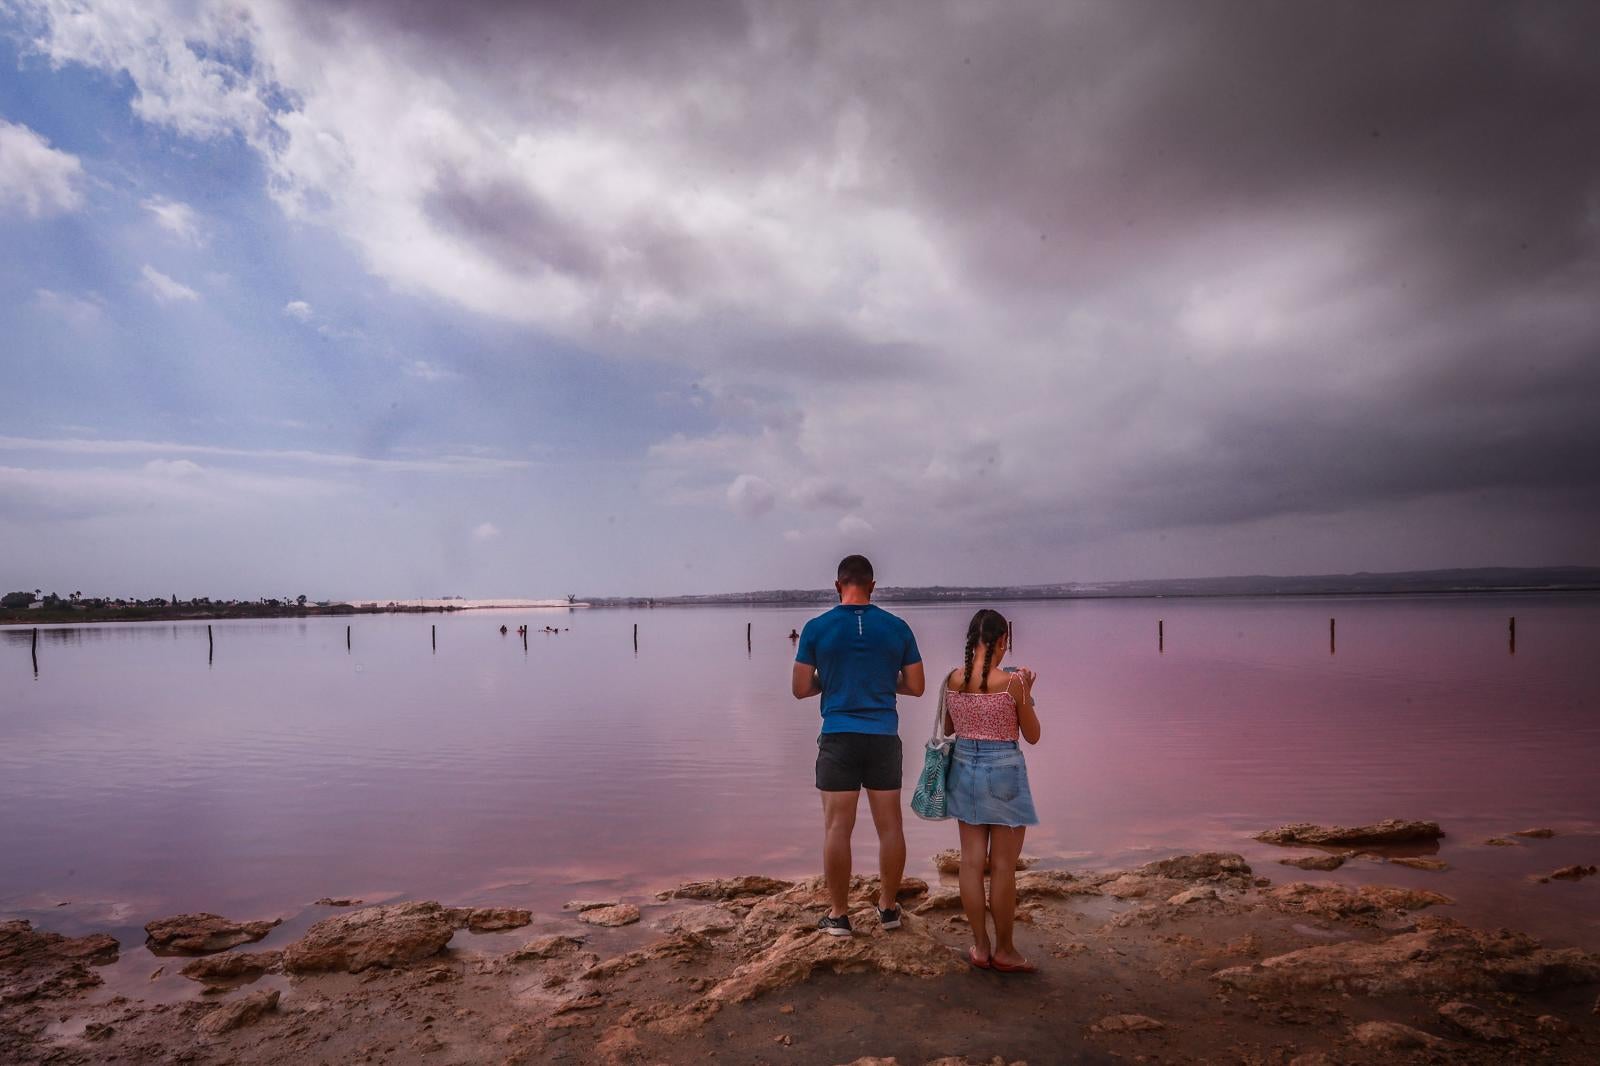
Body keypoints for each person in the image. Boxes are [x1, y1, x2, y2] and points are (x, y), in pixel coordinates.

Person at [792, 555, 925, 936]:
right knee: (891, 826)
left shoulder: (817, 628)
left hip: (839, 736)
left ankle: (839, 915)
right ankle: (888, 909)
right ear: (873, 586)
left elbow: (800, 688)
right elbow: (916, 686)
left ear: (838, 586)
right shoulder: (897, 627)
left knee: (837, 828)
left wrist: (832, 681)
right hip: (883, 736)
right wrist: (881, 681)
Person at [942, 608, 1041, 972]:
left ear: (971, 640)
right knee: (1002, 866)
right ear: (1003, 641)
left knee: (970, 862)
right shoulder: (1013, 684)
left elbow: (949, 727)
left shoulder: (952, 679)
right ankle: (1005, 951)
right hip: (1003, 774)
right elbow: (1033, 735)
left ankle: (981, 947)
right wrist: (1027, 692)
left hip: (963, 770)